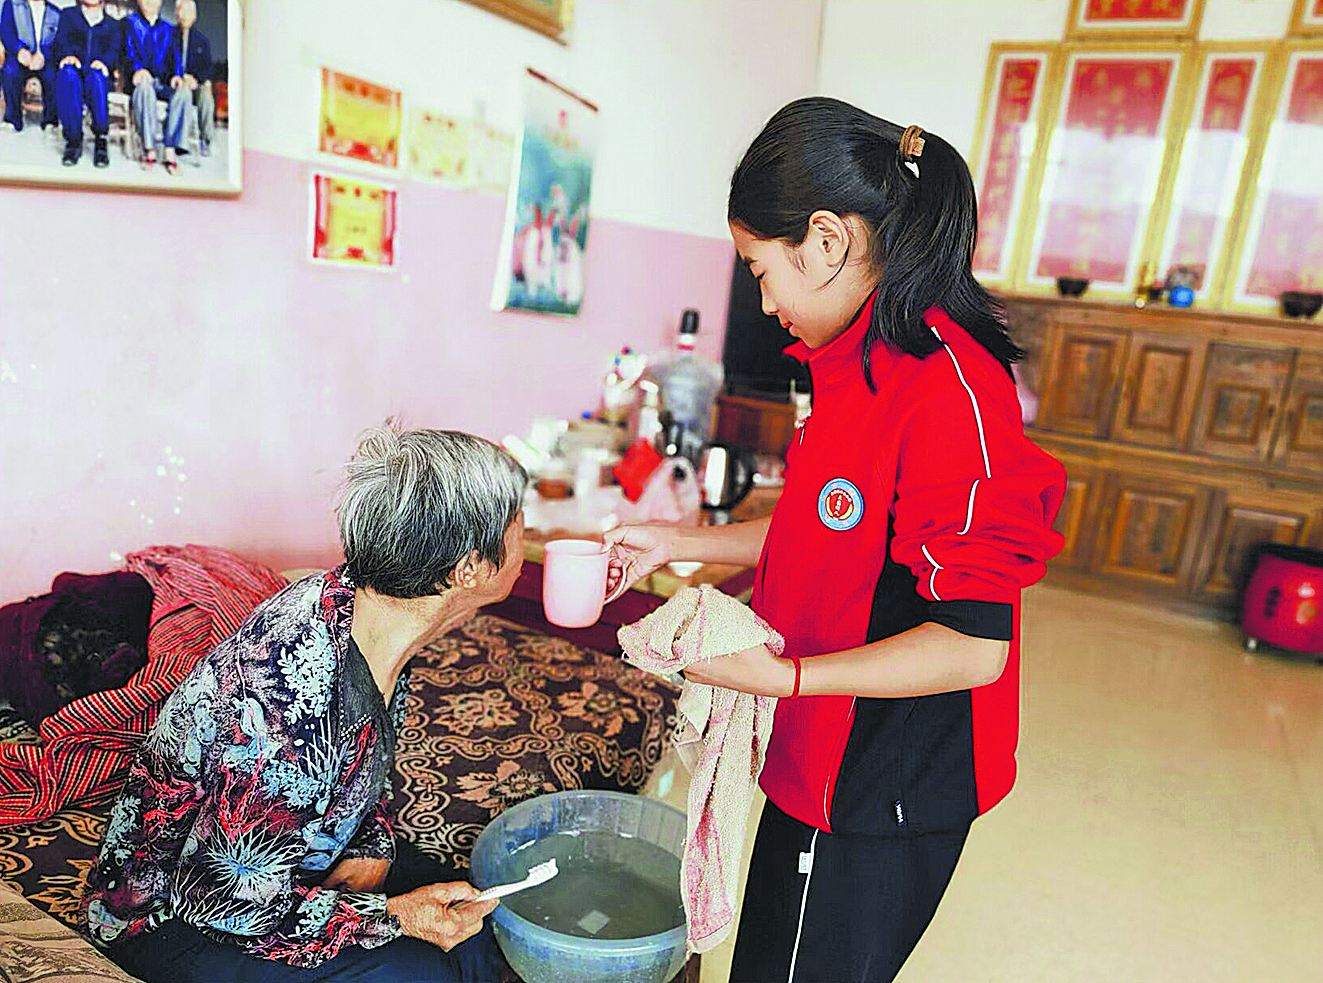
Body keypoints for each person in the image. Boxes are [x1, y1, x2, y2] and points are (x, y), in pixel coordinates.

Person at [604, 97, 1067, 983]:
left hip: (880, 779)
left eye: (760, 269)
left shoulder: (946, 391)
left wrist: (784, 678)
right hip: (824, 745)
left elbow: (972, 645)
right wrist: (677, 538)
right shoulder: (858, 360)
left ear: (824, 239)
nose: (763, 300)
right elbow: (826, 523)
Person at [81, 427, 529, 983]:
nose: (528, 535)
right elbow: (223, 899)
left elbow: (358, 774)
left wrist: (372, 845)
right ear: (468, 569)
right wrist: (393, 916)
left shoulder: (367, 608)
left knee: (474, 920)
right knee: (420, 971)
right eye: (519, 522)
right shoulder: (288, 705)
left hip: (287, 864)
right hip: (169, 920)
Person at [52, 0, 120, 167]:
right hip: (75, 72)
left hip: (97, 76)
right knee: (68, 74)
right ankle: (73, 141)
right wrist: (67, 56)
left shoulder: (112, 24)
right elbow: (59, 43)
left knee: (97, 76)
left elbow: (115, 52)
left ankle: (101, 140)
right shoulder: (68, 15)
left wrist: (104, 63)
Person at [162, 0, 213, 169]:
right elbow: (162, 64)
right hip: (174, 83)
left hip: (194, 84)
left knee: (206, 92)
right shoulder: (169, 36)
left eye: (189, 12)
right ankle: (178, 142)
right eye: (182, 12)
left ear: (195, 16)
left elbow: (207, 69)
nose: (185, 16)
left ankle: (205, 140)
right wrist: (174, 76)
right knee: (182, 91)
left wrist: (196, 79)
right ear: (177, 14)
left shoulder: (202, 41)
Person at [124, 0, 171, 168]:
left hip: (162, 82)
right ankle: (149, 149)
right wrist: (138, 69)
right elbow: (127, 52)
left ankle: (171, 148)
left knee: (181, 92)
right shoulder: (129, 23)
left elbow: (174, 60)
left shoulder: (168, 29)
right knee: (145, 87)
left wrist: (176, 77)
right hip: (138, 81)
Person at [1, 0, 60, 132]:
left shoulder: (55, 12)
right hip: (19, 56)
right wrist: (19, 50)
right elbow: (6, 31)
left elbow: (58, 42)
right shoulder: (13, 5)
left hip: (44, 58)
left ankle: (50, 121)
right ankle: (12, 120)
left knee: (53, 75)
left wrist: (43, 55)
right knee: (10, 72)